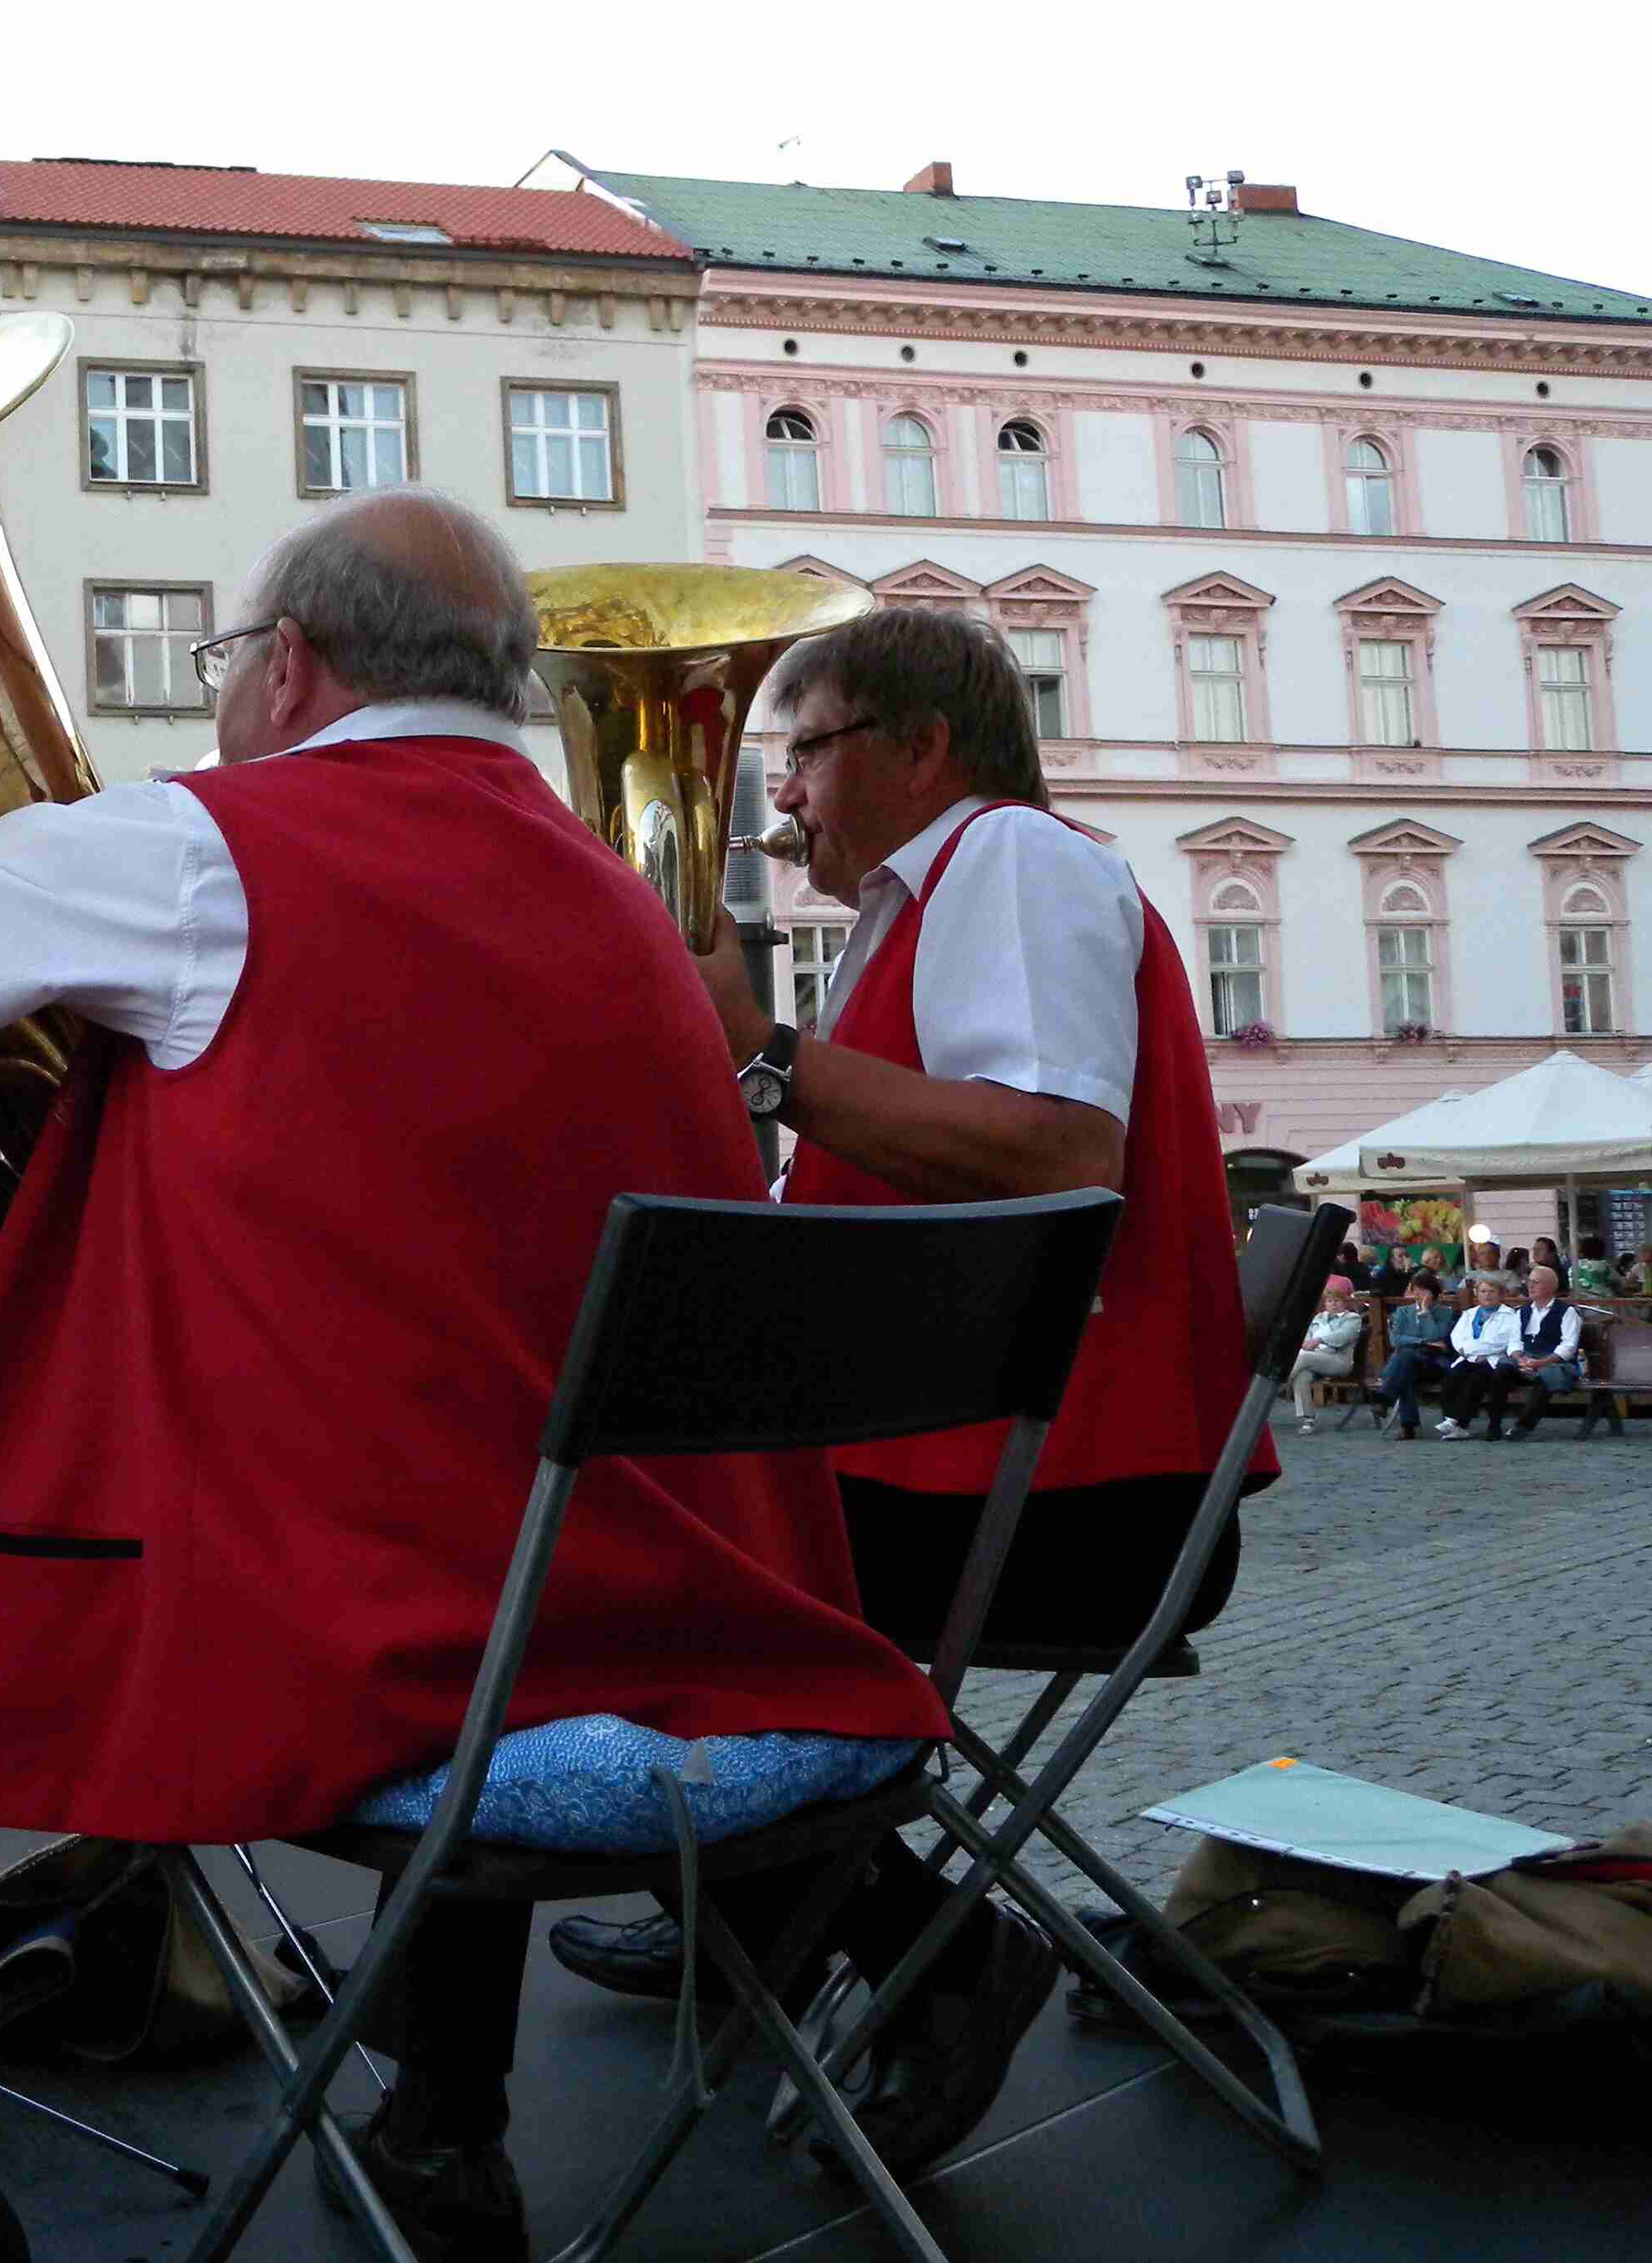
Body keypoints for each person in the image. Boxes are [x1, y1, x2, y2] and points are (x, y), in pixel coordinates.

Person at [0, 489, 951, 2263]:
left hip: (386, 1633)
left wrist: (21, 858)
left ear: (292, 668)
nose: (217, 704)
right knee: (456, 1497)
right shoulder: (617, 900)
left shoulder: (207, 847)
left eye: (223, 664)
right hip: (657, 1607)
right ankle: (442, 2124)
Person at [558, 605, 1259, 2172]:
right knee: (613, 1542)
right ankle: (764, 1912)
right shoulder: (932, 896)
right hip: (983, 1467)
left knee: (587, 1572)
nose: (775, 795)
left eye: (798, 748)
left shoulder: (1007, 860)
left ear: (920, 744)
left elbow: (1054, 1151)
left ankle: (902, 1939)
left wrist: (763, 1058)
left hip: (1062, 1494)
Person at [1360, 1270, 1457, 1438]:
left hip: (1433, 1363)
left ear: (1432, 1292)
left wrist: (1425, 1312)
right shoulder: (1403, 1312)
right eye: (1415, 1289)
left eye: (1423, 1290)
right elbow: (1396, 1339)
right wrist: (1422, 1342)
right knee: (1406, 1366)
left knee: (1404, 1359)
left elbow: (1437, 1335)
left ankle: (1391, 1406)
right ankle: (1407, 1424)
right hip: (1410, 1361)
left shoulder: (1445, 1313)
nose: (1418, 1294)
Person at [1498, 1263, 1587, 1441]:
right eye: (1529, 1282)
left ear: (1551, 1287)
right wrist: (1520, 1358)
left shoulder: (1567, 1312)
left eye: (1536, 1282)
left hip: (1554, 1363)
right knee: (1501, 1369)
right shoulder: (1522, 1311)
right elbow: (1514, 1342)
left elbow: (1568, 1347)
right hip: (1526, 1360)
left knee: (1546, 1376)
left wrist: (1542, 1363)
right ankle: (1494, 1423)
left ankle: (1523, 1426)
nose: (1530, 1286)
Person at [1435, 1278, 1521, 1439]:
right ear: (1477, 1294)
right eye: (1483, 1291)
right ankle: (1451, 1420)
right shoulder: (1469, 1314)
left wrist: (1469, 1348)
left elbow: (1499, 1343)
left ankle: (1458, 1422)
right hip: (1469, 1358)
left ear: (1500, 1295)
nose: (1487, 1295)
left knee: (1478, 1378)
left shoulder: (1510, 1316)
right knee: (1452, 1375)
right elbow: (1457, 1337)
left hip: (1492, 1361)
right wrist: (1471, 1352)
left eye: (1491, 1291)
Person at [1289, 1276, 1366, 1423]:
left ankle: (1282, 1382)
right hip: (1316, 1358)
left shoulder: (1352, 1318)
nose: (1333, 1304)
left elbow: (1343, 1336)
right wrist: (1308, 1343)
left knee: (1303, 1357)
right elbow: (1307, 1338)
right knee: (1302, 1375)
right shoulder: (1319, 1318)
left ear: (1344, 1303)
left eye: (1337, 1301)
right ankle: (1308, 1418)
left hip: (1340, 1361)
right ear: (1325, 1303)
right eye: (1330, 1301)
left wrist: (1319, 1340)